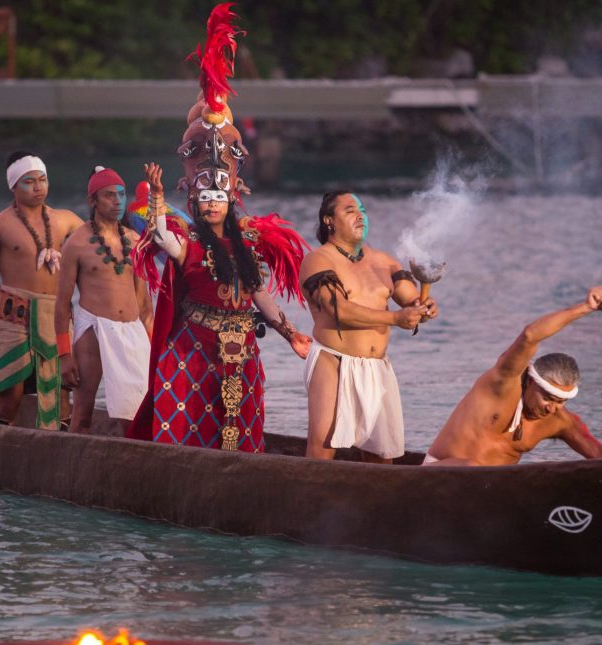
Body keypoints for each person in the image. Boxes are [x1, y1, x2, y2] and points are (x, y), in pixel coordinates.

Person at [128, 5, 311, 452]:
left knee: (240, 435)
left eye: (218, 201)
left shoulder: (247, 239)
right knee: (186, 429)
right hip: (193, 347)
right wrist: (155, 197)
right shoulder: (186, 240)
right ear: (194, 200)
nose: (211, 207)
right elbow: (164, 238)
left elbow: (259, 293)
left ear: (230, 199)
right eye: (204, 201)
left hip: (241, 346)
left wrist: (290, 335)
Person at [299, 191, 437, 464]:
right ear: (329, 220)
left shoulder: (384, 262)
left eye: (362, 209)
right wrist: (396, 319)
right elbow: (339, 311)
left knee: (380, 457)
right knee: (322, 448)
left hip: (376, 366)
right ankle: (309, 502)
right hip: (333, 361)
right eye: (350, 210)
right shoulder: (318, 260)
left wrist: (425, 308)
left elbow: (410, 299)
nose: (360, 215)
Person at [424, 285, 602, 466]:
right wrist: (585, 307)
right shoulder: (501, 385)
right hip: (438, 475)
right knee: (472, 468)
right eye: (547, 398)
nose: (552, 408)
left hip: (492, 490)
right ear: (530, 381)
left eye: (560, 401)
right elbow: (530, 336)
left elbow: (599, 452)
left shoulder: (559, 420)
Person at [0, 151, 83, 429]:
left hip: (56, 318)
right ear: (13, 186)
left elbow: (101, 241)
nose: (38, 186)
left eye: (42, 179)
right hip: (14, 317)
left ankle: (59, 450)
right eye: (29, 181)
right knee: (9, 392)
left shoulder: (66, 219)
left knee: (61, 391)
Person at [55, 165, 153, 434]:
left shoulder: (134, 241)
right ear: (93, 200)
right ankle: (73, 472)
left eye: (121, 195)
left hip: (131, 331)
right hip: (93, 330)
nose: (118, 201)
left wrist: (154, 349)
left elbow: (145, 306)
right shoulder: (77, 243)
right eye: (109, 195)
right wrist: (64, 355)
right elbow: (62, 303)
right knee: (82, 415)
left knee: (138, 418)